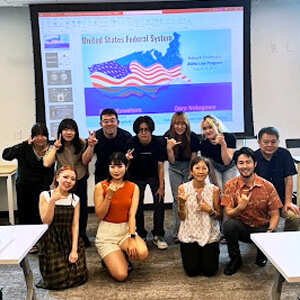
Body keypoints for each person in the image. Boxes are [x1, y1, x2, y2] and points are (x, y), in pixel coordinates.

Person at [221, 147, 282, 276]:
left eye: (248, 162)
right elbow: (228, 213)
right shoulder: (230, 185)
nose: (245, 166)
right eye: (241, 163)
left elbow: (275, 214)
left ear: (255, 164)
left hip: (261, 228)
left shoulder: (267, 186)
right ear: (236, 165)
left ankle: (262, 254)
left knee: (271, 230)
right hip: (242, 228)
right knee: (229, 225)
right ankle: (235, 259)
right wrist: (240, 207)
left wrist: (270, 231)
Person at [94, 152, 148, 281]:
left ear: (126, 167)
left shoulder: (133, 187)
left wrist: (132, 237)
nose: (116, 170)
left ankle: (121, 255)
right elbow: (99, 215)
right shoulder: (100, 186)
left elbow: (132, 215)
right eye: (112, 167)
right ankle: (109, 259)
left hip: (125, 230)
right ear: (108, 168)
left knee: (142, 253)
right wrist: (109, 196)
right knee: (121, 275)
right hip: (107, 234)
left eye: (119, 166)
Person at [2, 123, 54, 253]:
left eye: (43, 135)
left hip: (42, 187)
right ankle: (28, 243)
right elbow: (6, 155)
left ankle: (42, 240)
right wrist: (25, 143)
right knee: (26, 215)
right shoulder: (24, 148)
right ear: (32, 136)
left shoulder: (51, 149)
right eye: (37, 135)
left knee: (41, 215)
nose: (40, 138)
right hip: (25, 186)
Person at [38, 166, 88, 289]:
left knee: (79, 276)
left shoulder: (75, 199)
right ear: (57, 177)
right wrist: (52, 202)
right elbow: (46, 222)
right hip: (51, 240)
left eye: (73, 179)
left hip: (69, 239)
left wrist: (74, 250)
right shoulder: (45, 195)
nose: (68, 181)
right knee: (56, 281)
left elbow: (75, 225)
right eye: (65, 177)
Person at [43, 118, 91, 247]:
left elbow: (86, 160)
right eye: (65, 129)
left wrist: (91, 146)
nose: (69, 132)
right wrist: (54, 148)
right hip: (63, 181)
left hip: (79, 178)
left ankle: (81, 234)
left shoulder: (81, 143)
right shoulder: (56, 145)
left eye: (72, 129)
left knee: (81, 208)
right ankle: (64, 236)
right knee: (63, 207)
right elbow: (47, 163)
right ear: (61, 131)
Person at [125, 116, 168, 250]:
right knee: (137, 206)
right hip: (136, 177)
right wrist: (128, 160)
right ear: (136, 131)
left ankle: (158, 234)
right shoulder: (130, 142)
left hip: (154, 175)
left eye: (146, 130)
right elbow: (125, 167)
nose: (143, 133)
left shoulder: (159, 142)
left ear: (151, 130)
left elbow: (161, 166)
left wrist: (161, 186)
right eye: (141, 130)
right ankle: (141, 234)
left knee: (159, 204)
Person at [177, 156, 220, 277]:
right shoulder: (183, 188)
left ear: (208, 171)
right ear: (191, 171)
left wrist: (209, 210)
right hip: (189, 233)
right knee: (192, 271)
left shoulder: (214, 190)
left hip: (209, 233)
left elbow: (219, 216)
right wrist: (181, 203)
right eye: (197, 168)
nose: (200, 171)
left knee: (210, 271)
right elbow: (181, 217)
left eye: (204, 168)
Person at [254, 127, 300, 231]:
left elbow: (288, 179)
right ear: (259, 142)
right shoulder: (254, 157)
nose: (269, 145)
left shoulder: (284, 154)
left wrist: (288, 202)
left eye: (273, 142)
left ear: (278, 142)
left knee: (294, 217)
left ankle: (286, 239)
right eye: (265, 142)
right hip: (261, 204)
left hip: (282, 201)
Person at [164, 112, 199, 239]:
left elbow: (194, 157)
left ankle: (191, 229)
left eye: (182, 124)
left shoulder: (193, 137)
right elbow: (171, 161)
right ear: (173, 125)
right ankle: (178, 231)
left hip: (189, 167)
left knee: (191, 198)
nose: (180, 127)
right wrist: (169, 148)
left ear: (186, 125)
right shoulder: (168, 137)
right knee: (177, 199)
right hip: (174, 168)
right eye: (177, 124)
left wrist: (191, 171)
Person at [82, 108, 132, 184]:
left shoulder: (126, 136)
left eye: (112, 121)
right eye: (106, 121)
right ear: (101, 124)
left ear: (117, 122)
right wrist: (90, 146)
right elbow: (85, 161)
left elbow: (130, 160)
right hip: (102, 175)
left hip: (122, 175)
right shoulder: (95, 137)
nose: (109, 124)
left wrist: (128, 160)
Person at [199, 115, 238, 190]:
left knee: (229, 190)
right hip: (215, 167)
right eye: (205, 129)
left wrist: (223, 144)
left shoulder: (229, 138)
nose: (208, 131)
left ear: (217, 126)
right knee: (217, 191)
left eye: (210, 127)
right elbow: (209, 165)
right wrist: (215, 183)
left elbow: (227, 161)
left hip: (230, 166)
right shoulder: (204, 144)